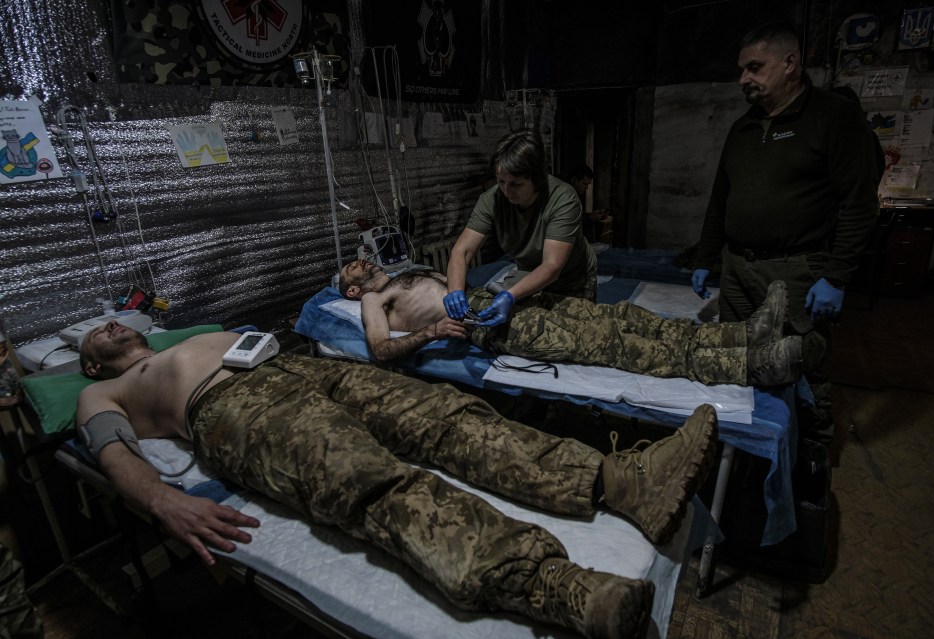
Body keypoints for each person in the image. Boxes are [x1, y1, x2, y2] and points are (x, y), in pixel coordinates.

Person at [77, 321, 720, 639]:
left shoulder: (189, 332)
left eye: (115, 322)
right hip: (230, 411)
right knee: (371, 482)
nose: (112, 328)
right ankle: (562, 588)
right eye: (99, 332)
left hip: (294, 368)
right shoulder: (104, 390)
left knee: (447, 417)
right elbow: (115, 457)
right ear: (89, 360)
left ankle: (620, 481)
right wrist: (165, 500)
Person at [691, 20, 880, 441]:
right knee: (739, 356)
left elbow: (860, 203)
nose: (744, 78)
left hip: (795, 269)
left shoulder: (833, 116)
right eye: (742, 69)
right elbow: (721, 200)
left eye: (754, 67)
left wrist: (836, 276)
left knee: (800, 362)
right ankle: (743, 445)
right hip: (738, 267)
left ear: (790, 63)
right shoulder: (743, 128)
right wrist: (707, 257)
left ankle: (811, 452)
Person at [339, 259, 802, 388]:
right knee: (614, 342)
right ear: (353, 292)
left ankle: (741, 333)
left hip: (501, 300)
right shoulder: (375, 301)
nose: (356, 263)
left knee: (621, 315)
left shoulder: (402, 272)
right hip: (488, 324)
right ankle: (749, 367)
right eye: (349, 272)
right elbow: (381, 351)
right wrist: (431, 333)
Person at [444, 131, 598, 330]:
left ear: (538, 180)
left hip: (571, 279)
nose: (506, 191)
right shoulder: (492, 200)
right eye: (501, 181)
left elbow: (552, 266)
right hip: (530, 274)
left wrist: (510, 295)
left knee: (577, 333)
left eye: (516, 184)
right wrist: (455, 290)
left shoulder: (563, 199)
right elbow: (462, 251)